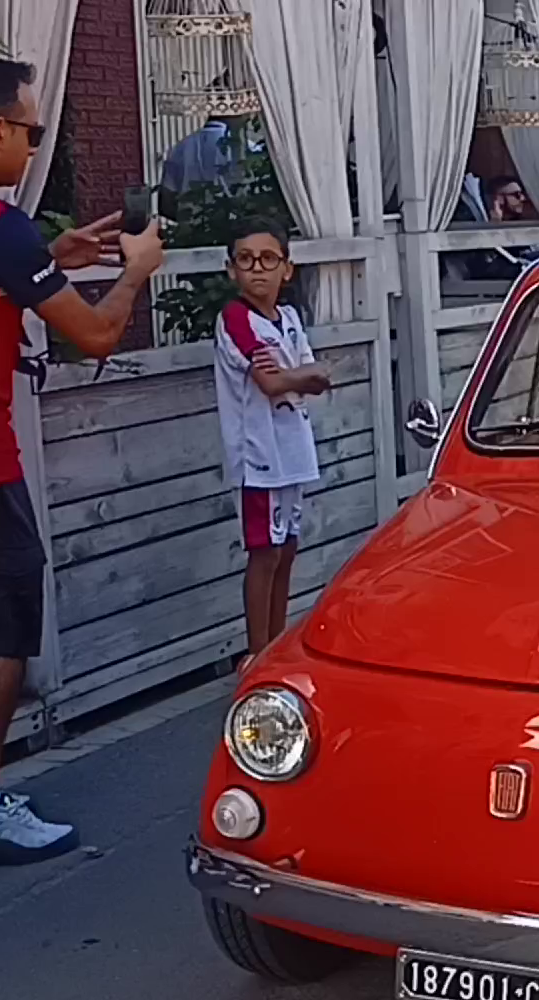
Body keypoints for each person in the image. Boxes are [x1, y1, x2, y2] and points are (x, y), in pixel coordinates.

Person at [0, 47, 167, 872]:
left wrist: (54, 258)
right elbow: (98, 335)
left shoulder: (2, 240)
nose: (34, 148)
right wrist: (134, 272)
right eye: (35, 133)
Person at [213, 221, 330, 667]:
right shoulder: (236, 318)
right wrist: (300, 377)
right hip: (259, 456)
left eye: (268, 259)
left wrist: (296, 377)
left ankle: (277, 644)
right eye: (245, 260)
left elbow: (305, 377)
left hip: (293, 450)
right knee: (265, 551)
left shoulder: (290, 320)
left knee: (288, 548)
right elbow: (273, 381)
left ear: (287, 269)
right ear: (231, 270)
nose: (257, 269)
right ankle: (257, 652)